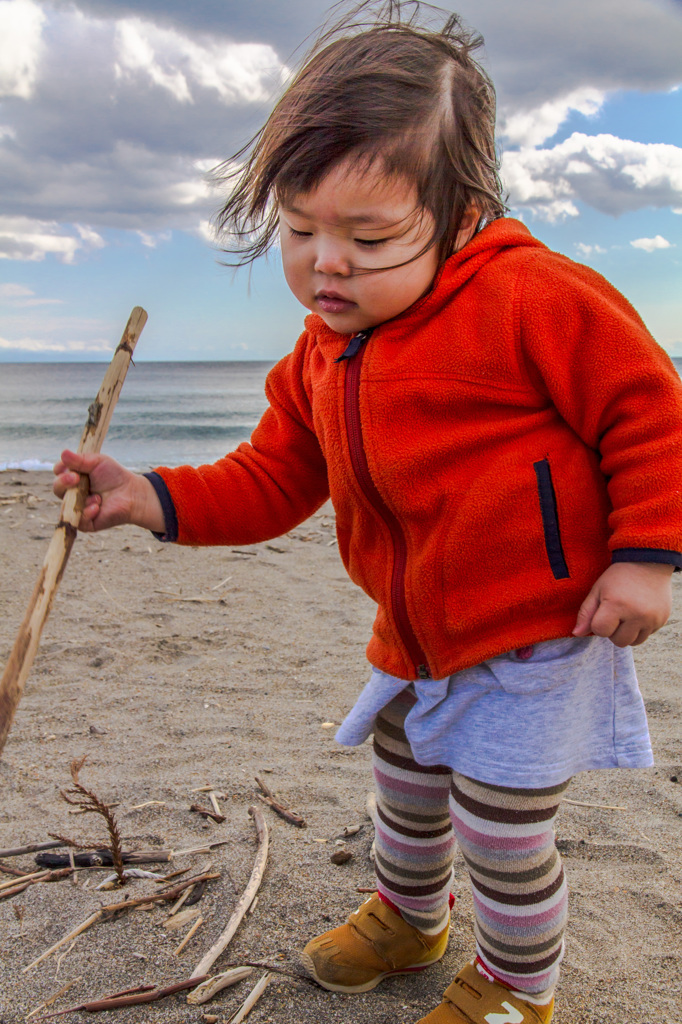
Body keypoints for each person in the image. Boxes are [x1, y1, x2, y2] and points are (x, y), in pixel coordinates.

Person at [53, 3, 682, 1021]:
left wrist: (645, 556)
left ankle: (520, 988)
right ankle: (411, 915)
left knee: (501, 827)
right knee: (403, 782)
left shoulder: (531, 298)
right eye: (299, 230)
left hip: (536, 633)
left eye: (369, 234)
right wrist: (150, 497)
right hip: (415, 633)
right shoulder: (319, 352)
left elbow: (650, 407)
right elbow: (271, 477)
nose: (324, 263)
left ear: (461, 208)